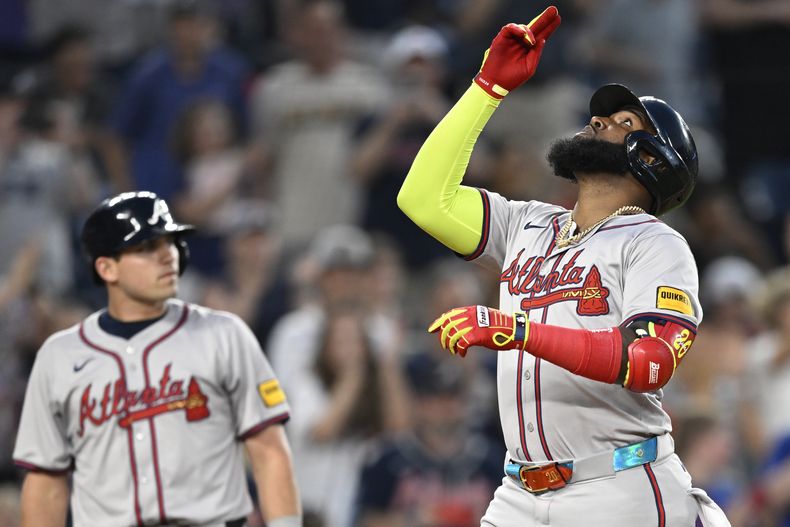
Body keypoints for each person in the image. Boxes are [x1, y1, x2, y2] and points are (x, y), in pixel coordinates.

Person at [398, 6, 730, 526]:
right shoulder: (526, 223)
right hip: (519, 492)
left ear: (651, 159)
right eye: (602, 116)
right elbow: (422, 199)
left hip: (619, 487)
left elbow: (648, 361)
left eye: (623, 123)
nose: (597, 120)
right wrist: (487, 88)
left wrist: (518, 331)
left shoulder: (656, 244)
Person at [13, 191, 301, 527]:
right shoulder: (60, 356)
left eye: (170, 243)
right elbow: (46, 481)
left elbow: (268, 449)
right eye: (147, 248)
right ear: (106, 268)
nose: (168, 256)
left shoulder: (224, 334)